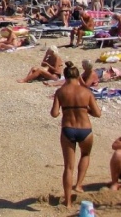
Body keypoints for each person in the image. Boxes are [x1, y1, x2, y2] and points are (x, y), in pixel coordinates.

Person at [50, 61, 102, 209]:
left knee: (68, 167)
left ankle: (67, 203)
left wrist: (65, 109)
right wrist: (85, 109)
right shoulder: (86, 92)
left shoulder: (60, 92)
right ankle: (78, 185)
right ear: (78, 76)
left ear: (65, 77)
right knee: (85, 154)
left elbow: (54, 113)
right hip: (85, 129)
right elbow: (98, 113)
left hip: (68, 129)